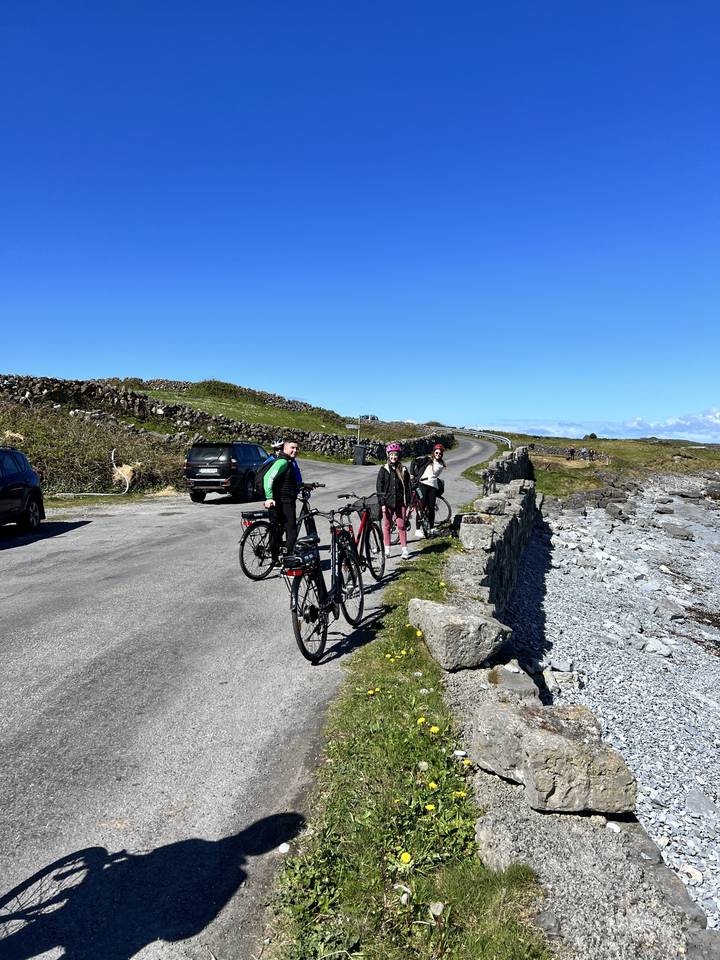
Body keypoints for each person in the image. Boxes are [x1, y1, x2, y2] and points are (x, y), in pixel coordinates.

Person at [263, 439, 300, 554]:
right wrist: (269, 497)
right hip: (284, 501)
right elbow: (267, 478)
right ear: (285, 448)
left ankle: (275, 560)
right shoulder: (283, 462)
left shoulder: (287, 461)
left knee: (277, 529)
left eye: (297, 448)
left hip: (282, 499)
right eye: (292, 448)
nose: (295, 450)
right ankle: (288, 560)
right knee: (292, 531)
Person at [376, 442, 412, 561]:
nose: (393, 457)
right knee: (387, 525)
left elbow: (408, 487)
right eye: (391, 455)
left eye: (395, 455)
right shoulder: (383, 469)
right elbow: (379, 488)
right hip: (387, 503)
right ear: (388, 455)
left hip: (400, 502)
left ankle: (405, 550)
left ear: (398, 456)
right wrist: (382, 503)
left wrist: (410, 503)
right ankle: (387, 549)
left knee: (401, 525)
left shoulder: (403, 469)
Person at [417, 443, 446, 536]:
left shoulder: (441, 465)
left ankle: (432, 528)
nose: (438, 454)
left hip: (433, 487)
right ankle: (417, 529)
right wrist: (413, 475)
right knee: (421, 507)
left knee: (431, 508)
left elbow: (435, 475)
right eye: (436, 452)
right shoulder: (428, 459)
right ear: (434, 452)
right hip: (423, 485)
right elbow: (415, 462)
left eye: (440, 453)